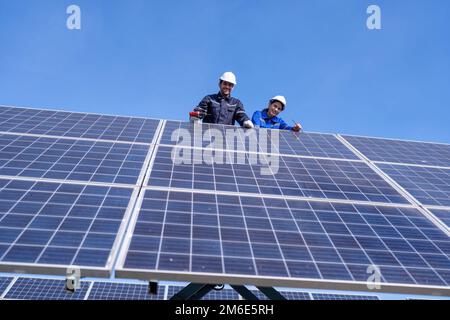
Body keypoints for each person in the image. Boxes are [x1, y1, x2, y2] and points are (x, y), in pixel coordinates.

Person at [190, 72, 254, 128]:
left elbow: (241, 115)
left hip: (226, 138)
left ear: (233, 87)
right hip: (207, 137)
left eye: (230, 85)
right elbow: (200, 111)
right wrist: (196, 116)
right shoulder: (209, 99)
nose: (227, 86)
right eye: (225, 83)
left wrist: (246, 120)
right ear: (220, 84)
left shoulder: (236, 103)